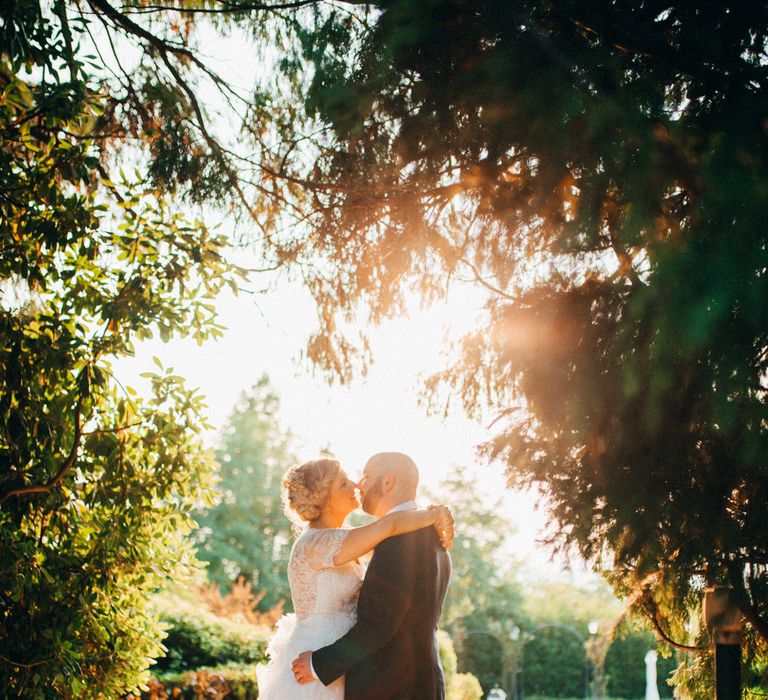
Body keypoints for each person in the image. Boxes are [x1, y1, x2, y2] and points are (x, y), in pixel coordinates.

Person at [256, 456, 453, 700]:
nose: (357, 485)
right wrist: (435, 515)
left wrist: (322, 664)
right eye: (343, 483)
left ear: (388, 482)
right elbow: (390, 526)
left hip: (350, 670)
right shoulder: (317, 543)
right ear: (323, 498)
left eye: (364, 478)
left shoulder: (376, 541)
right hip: (317, 664)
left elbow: (379, 623)